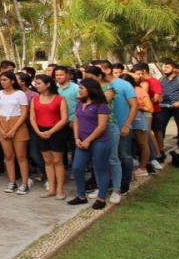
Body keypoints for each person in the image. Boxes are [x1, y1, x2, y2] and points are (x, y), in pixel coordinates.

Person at [69, 78, 113, 210]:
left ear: (90, 89)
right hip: (82, 141)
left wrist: (88, 140)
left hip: (100, 142)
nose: (79, 90)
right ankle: (81, 196)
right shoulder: (79, 103)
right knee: (77, 168)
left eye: (82, 88)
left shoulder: (101, 105)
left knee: (100, 169)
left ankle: (101, 198)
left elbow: (101, 126)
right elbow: (76, 121)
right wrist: (76, 138)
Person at [98, 60, 138, 202]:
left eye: (98, 69)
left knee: (124, 155)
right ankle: (109, 183)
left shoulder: (123, 85)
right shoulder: (98, 85)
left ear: (107, 70)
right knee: (107, 157)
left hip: (122, 125)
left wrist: (127, 124)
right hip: (105, 127)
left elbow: (134, 106)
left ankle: (124, 184)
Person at [30, 74, 70, 200]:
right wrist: (38, 131)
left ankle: (60, 189)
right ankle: (51, 188)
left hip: (57, 132)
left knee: (57, 161)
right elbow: (32, 117)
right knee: (47, 161)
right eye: (36, 83)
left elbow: (64, 119)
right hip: (40, 131)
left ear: (47, 84)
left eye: (39, 83)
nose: (36, 86)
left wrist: (51, 131)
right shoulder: (35, 99)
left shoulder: (60, 99)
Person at [0, 71, 31, 194]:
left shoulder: (20, 94)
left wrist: (14, 129)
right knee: (8, 156)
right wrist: (1, 129)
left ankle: (24, 183)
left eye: (5, 80)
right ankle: (12, 182)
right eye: (1, 80)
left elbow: (24, 113)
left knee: (21, 156)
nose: (2, 82)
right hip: (3, 123)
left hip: (18, 124)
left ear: (12, 81)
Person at [122, 73, 154, 179]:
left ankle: (143, 167)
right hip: (128, 119)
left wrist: (136, 106)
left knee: (142, 143)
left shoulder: (139, 91)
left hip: (138, 119)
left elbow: (150, 108)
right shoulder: (125, 91)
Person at [133, 62, 164, 167]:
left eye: (140, 73)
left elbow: (156, 97)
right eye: (137, 73)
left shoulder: (150, 82)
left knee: (150, 133)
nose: (139, 75)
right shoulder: (137, 83)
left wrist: (146, 104)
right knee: (147, 133)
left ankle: (158, 153)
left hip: (150, 111)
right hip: (144, 111)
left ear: (144, 71)